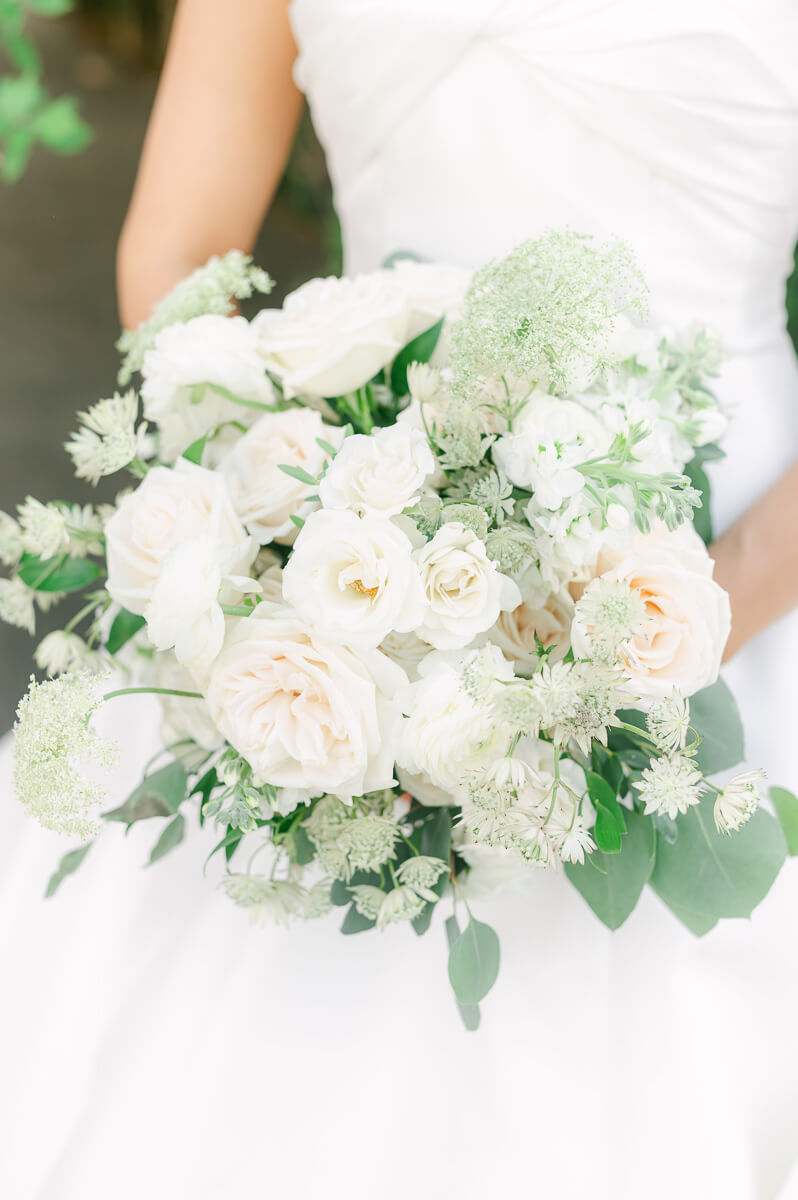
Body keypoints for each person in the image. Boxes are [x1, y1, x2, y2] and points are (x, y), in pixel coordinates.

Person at [4, 2, 798, 1196]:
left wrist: (692, 615)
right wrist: (294, 553)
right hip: (351, 534)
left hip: (735, 557)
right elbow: (175, 252)